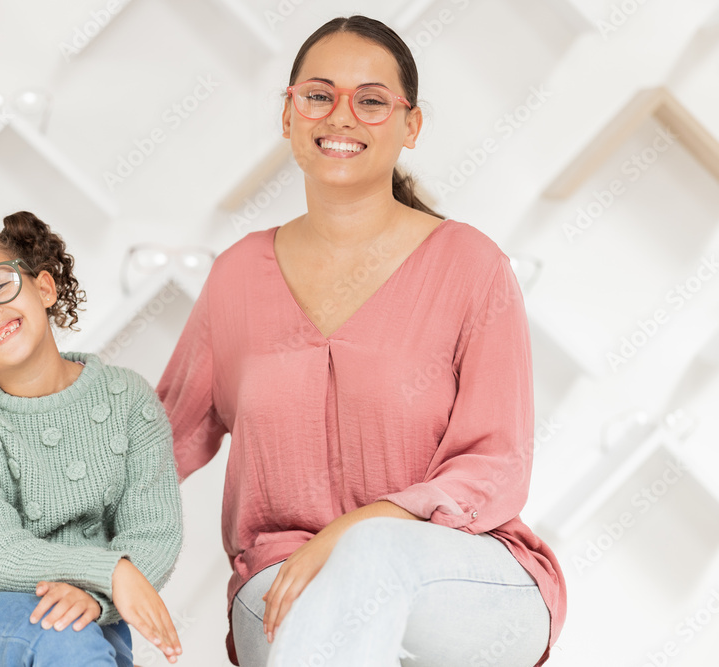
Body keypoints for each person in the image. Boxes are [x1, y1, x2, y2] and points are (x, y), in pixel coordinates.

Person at [157, 15, 566, 667]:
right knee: (333, 608)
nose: (341, 116)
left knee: (371, 556)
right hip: (283, 580)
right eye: (318, 95)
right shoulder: (237, 276)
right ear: (288, 115)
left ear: (410, 126)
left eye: (371, 101)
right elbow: (156, 443)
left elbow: (498, 463)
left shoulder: (471, 266)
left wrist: (357, 530)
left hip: (459, 577)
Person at [0, 211, 184, 667]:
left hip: (89, 612)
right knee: (65, 641)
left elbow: (154, 533)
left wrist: (98, 597)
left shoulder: (129, 399)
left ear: (43, 288)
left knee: (81, 641)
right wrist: (108, 571)